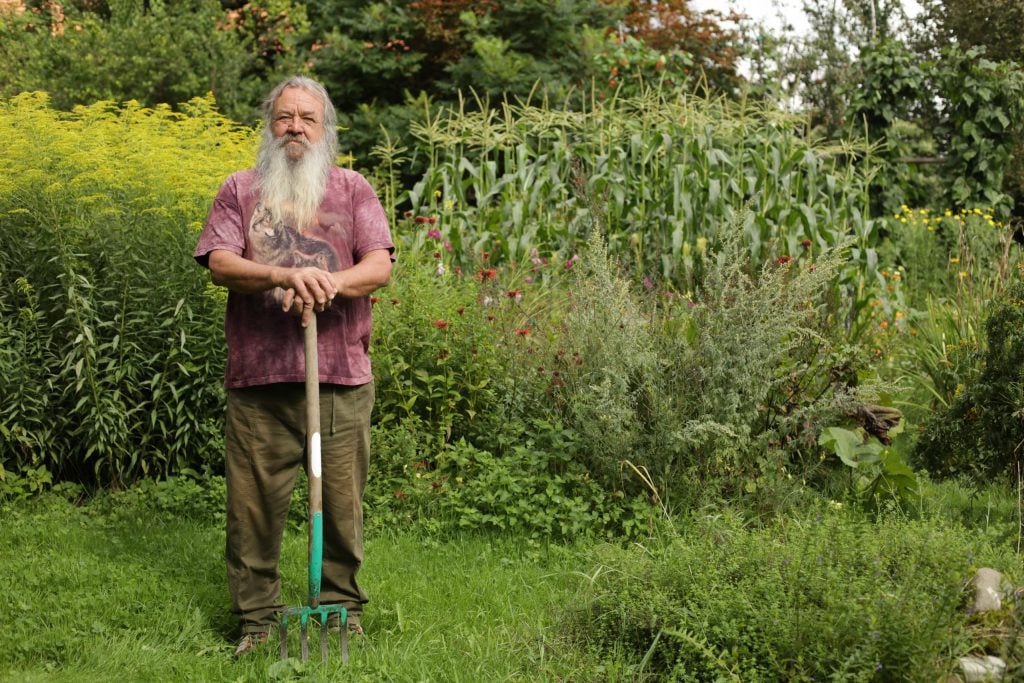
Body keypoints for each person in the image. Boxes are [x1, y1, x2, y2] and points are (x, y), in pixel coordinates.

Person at [194, 75, 395, 657]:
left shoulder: (353, 189)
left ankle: (338, 608)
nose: (295, 128)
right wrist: (285, 274)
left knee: (340, 501)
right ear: (269, 124)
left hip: (339, 377)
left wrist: (327, 282)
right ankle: (258, 621)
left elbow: (378, 266)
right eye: (285, 117)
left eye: (308, 118)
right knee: (252, 507)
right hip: (259, 379)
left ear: (325, 127)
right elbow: (222, 264)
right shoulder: (240, 189)